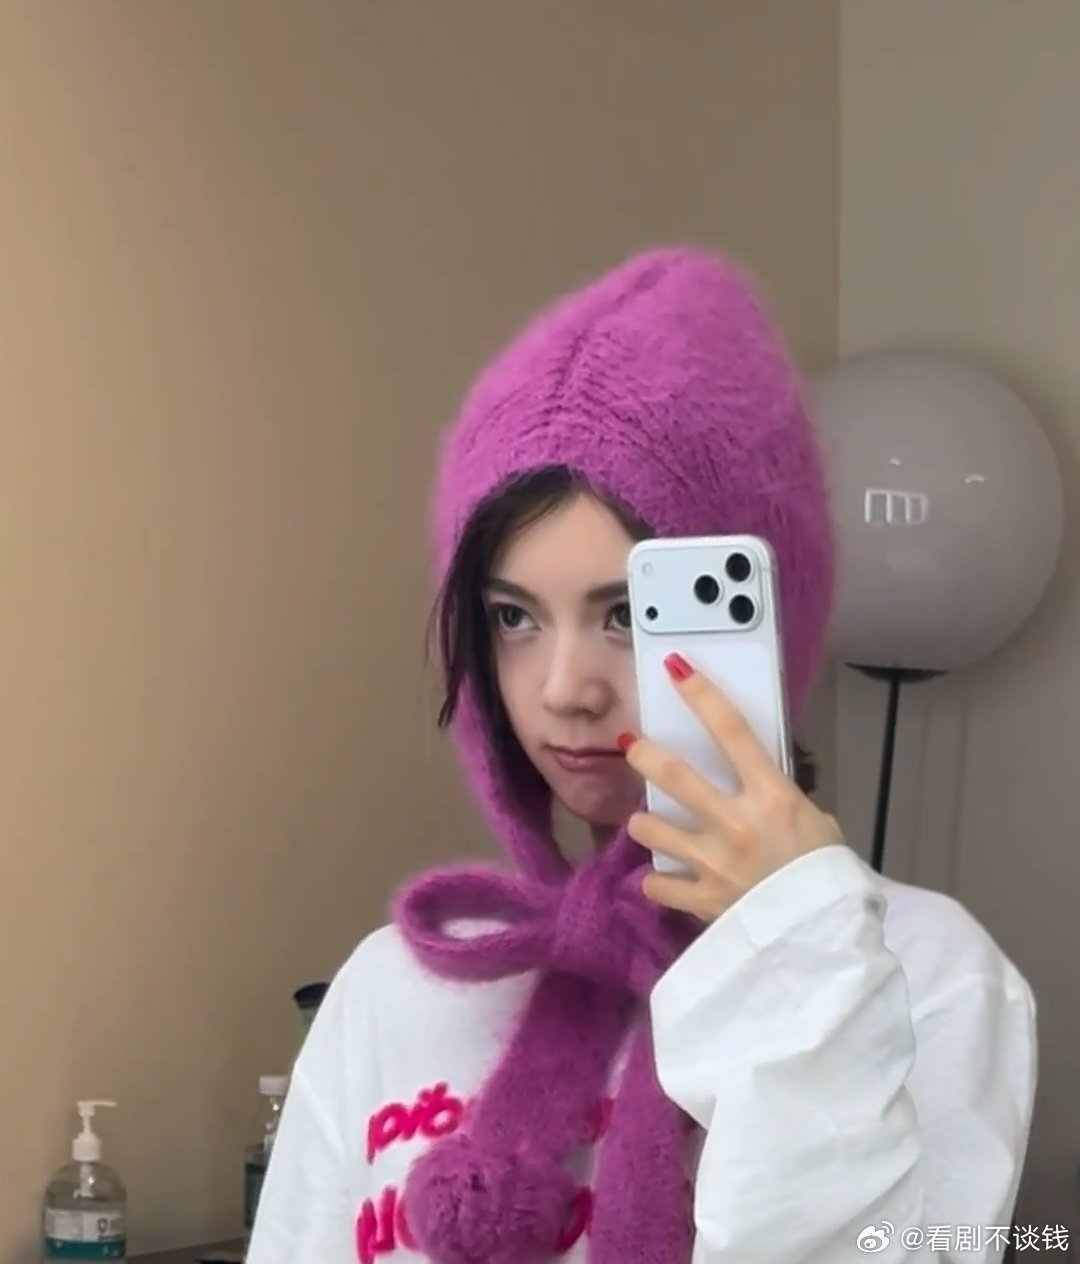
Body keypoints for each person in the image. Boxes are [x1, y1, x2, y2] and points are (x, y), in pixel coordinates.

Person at [246, 248, 1037, 1264]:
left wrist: (798, 954)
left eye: (625, 613)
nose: (563, 687)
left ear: (763, 625)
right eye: (514, 616)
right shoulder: (396, 985)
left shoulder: (928, 974)